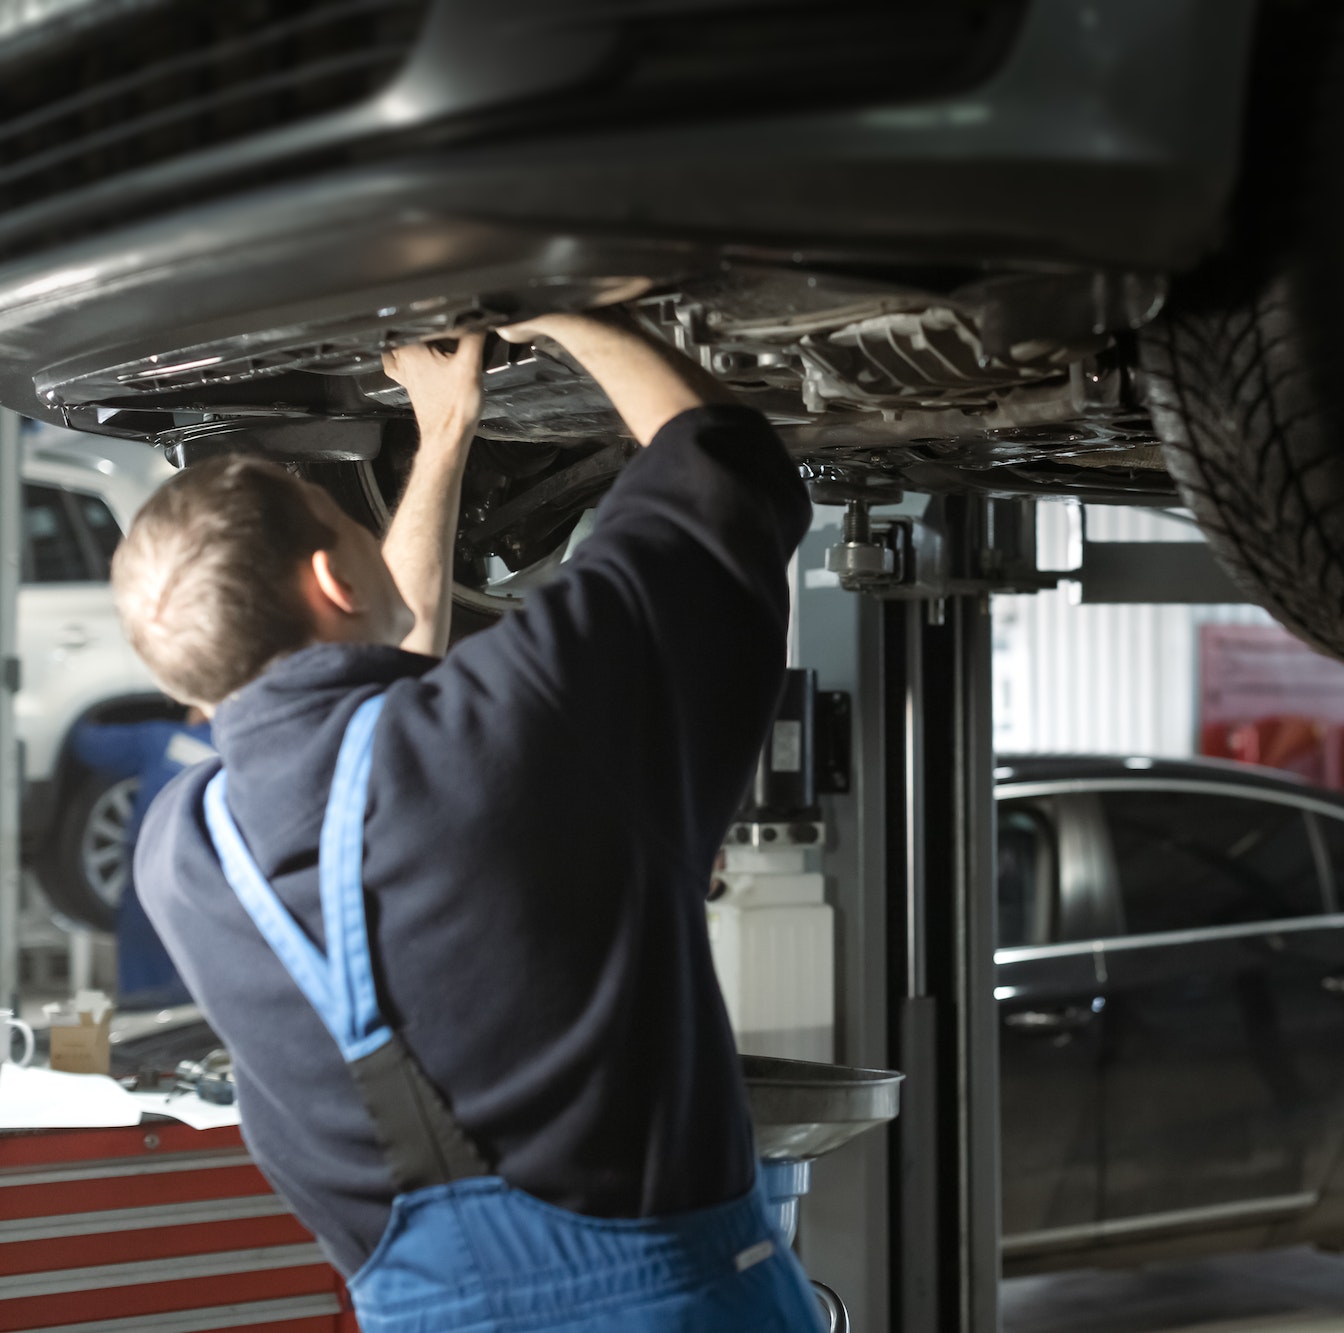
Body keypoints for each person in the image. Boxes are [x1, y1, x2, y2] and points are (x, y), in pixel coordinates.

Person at [114, 313, 822, 1332]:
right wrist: (588, 309)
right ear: (331, 579)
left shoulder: (183, 853)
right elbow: (724, 470)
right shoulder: (523, 716)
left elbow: (376, 709)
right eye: (338, 510)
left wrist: (444, 436)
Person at [67, 705, 214, 1006]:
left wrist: (78, 709)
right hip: (214, 877)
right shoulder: (241, 751)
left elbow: (87, 743)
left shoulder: (161, 738)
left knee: (144, 985)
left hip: (151, 869)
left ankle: (144, 1012)